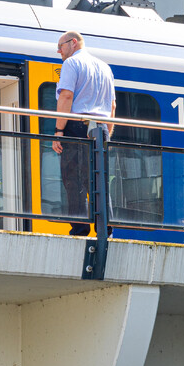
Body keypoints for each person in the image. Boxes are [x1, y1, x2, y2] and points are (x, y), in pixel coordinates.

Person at [50, 30, 116, 236]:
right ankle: (105, 229)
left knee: (73, 180)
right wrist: (107, 135)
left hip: (77, 126)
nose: (58, 50)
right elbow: (112, 106)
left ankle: (79, 229)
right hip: (101, 129)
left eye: (60, 46)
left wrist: (59, 130)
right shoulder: (105, 67)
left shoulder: (71, 64)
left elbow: (67, 96)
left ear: (74, 43)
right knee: (99, 180)